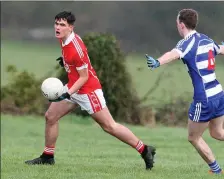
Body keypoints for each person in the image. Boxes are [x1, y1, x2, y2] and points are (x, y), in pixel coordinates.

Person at [25, 11, 156, 170]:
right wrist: (66, 63)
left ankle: (144, 149)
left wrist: (68, 92)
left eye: (62, 25)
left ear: (71, 27)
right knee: (51, 116)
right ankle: (47, 157)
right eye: (56, 24)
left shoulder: (76, 48)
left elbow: (84, 77)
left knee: (109, 126)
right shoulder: (63, 38)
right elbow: (75, 65)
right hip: (74, 87)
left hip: (88, 91)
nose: (57, 27)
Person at [145, 8, 224, 174]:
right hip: (219, 94)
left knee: (193, 137)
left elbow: (172, 54)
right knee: (218, 132)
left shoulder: (185, 43)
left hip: (204, 99)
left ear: (181, 25)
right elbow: (220, 49)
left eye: (177, 23)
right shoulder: (206, 39)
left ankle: (216, 170)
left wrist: (158, 62)